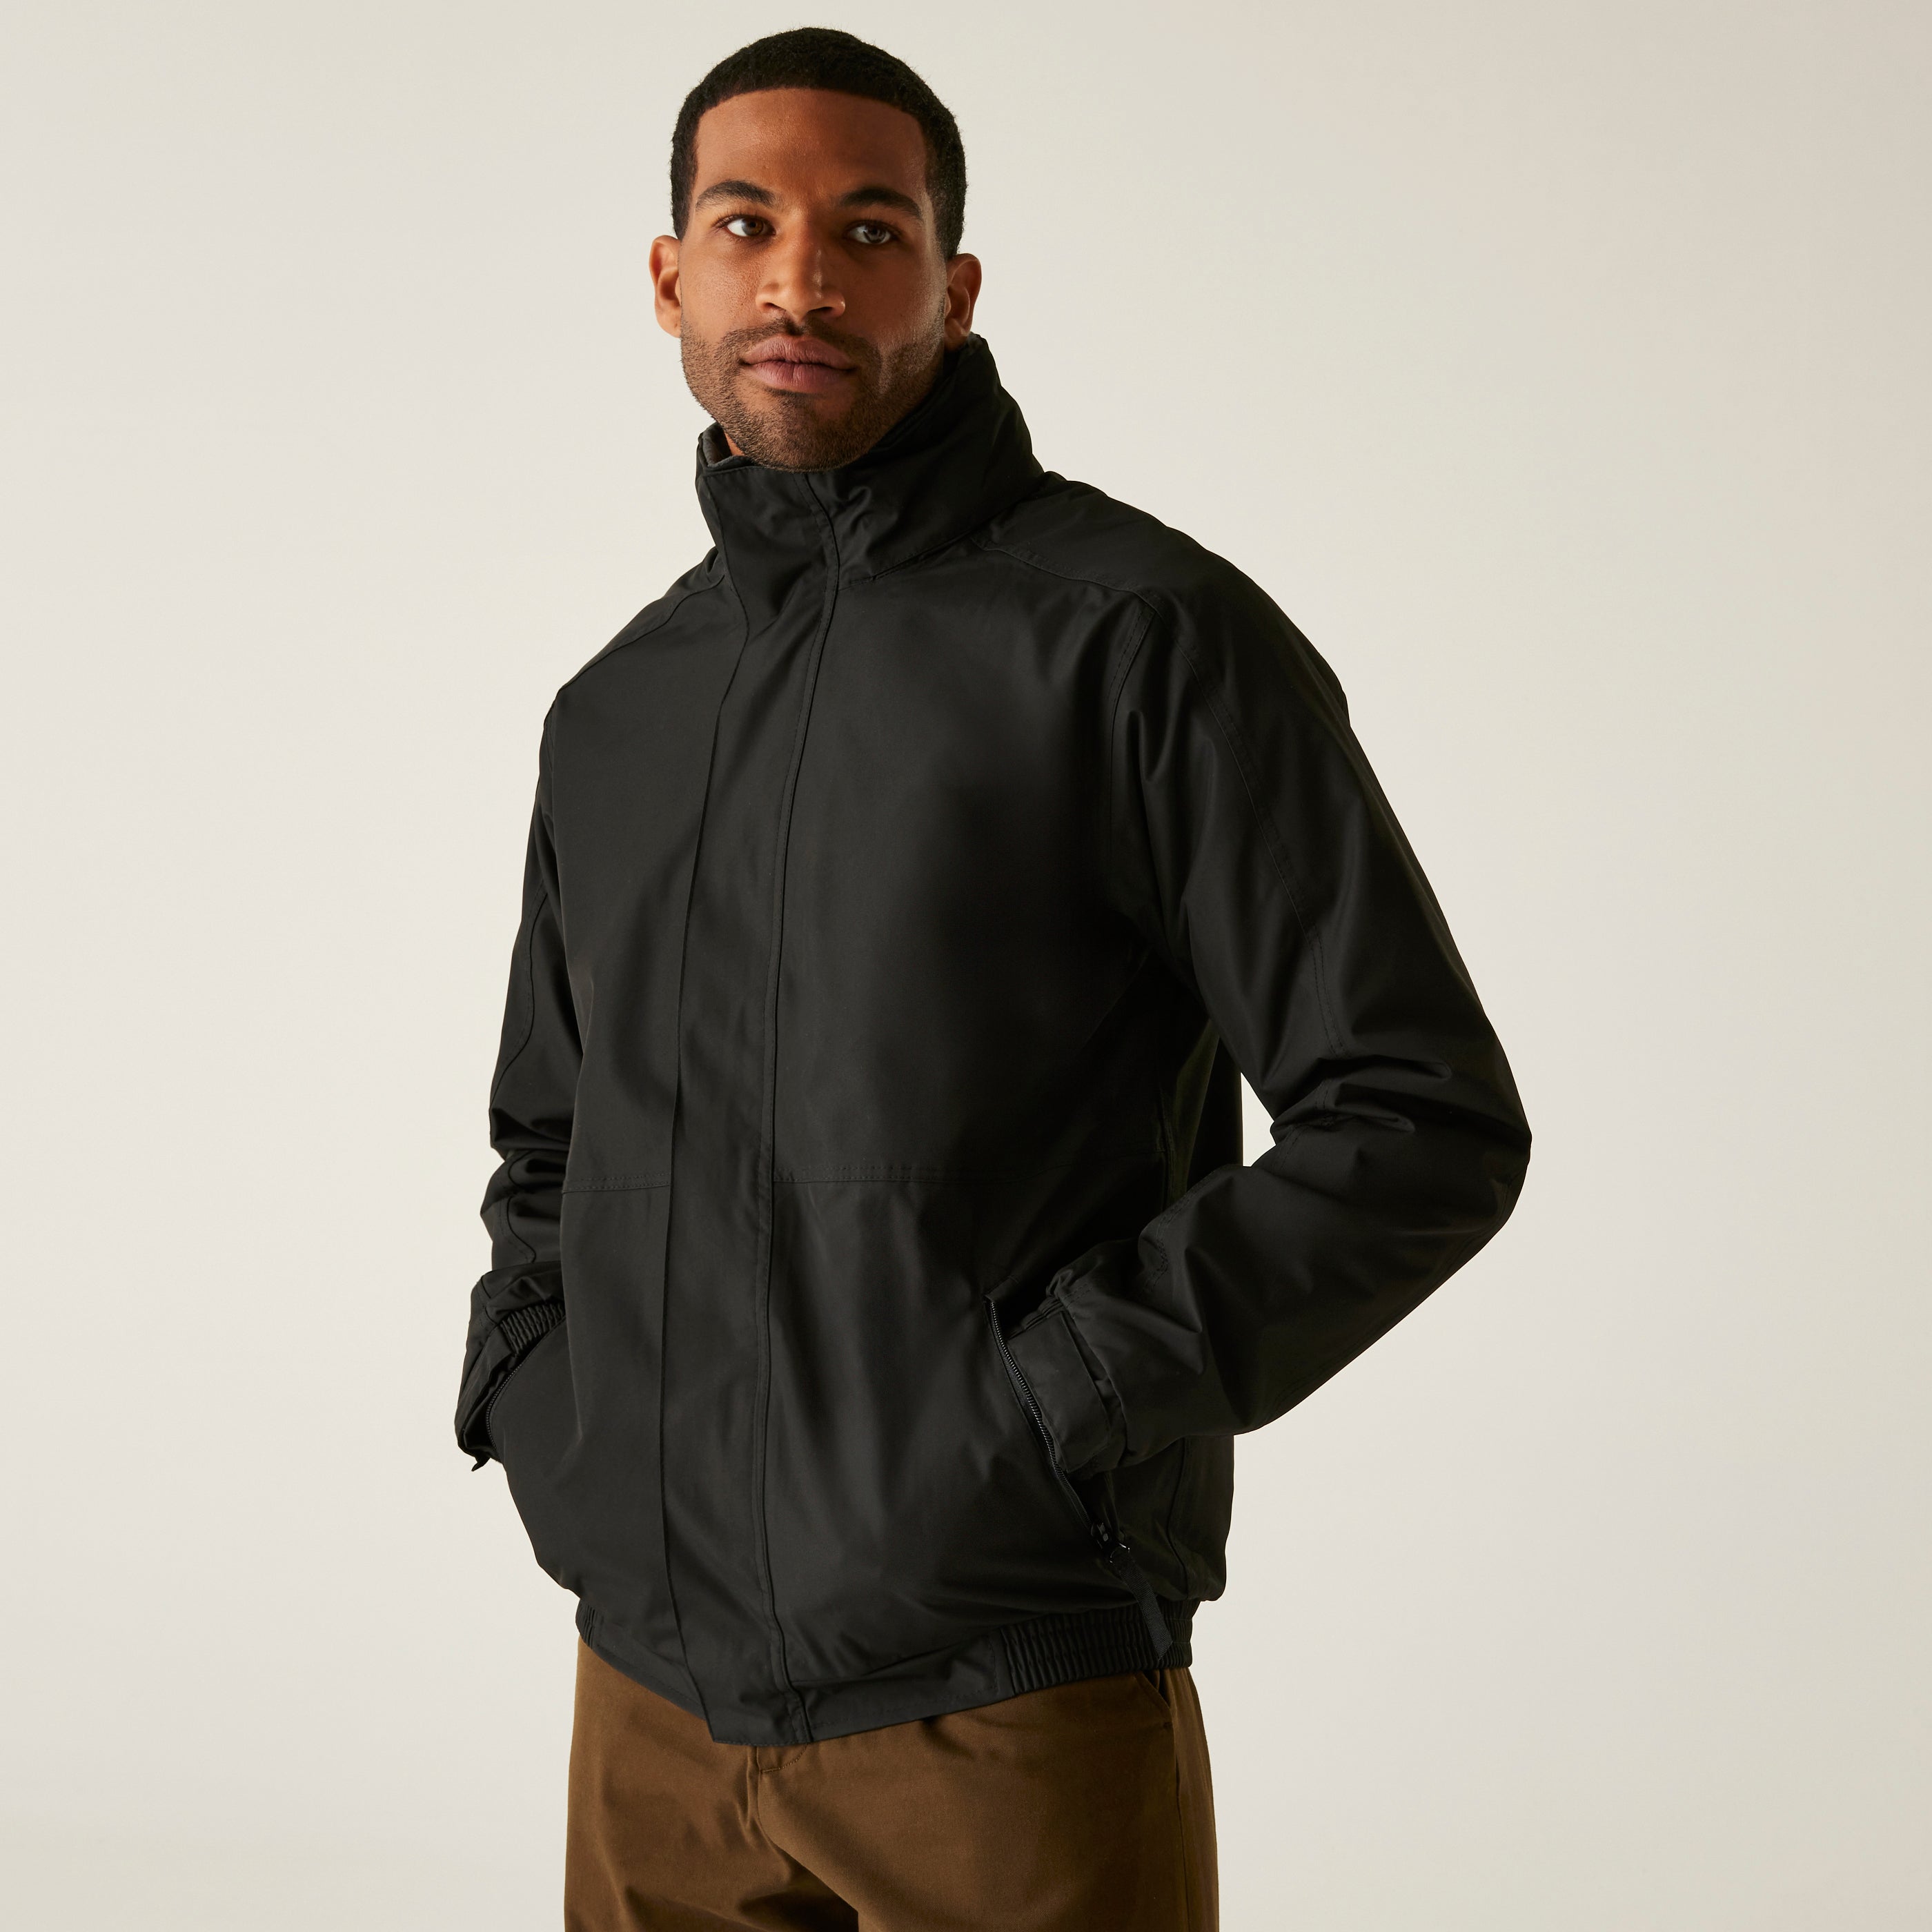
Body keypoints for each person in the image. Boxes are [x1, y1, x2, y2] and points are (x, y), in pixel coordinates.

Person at [455, 27, 1531, 1931]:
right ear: (671, 278)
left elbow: (1416, 1119)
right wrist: (538, 1395)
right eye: (747, 224)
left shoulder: (1141, 641)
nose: (802, 280)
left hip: (1006, 1704)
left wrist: (1054, 1404)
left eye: (869, 231)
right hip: (648, 1714)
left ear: (952, 289)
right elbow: (551, 1137)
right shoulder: (617, 710)